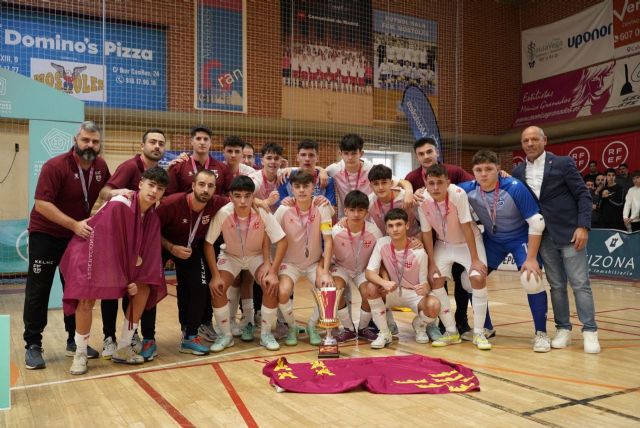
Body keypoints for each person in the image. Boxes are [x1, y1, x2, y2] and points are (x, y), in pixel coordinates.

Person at [61, 167, 169, 374]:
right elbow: (103, 244)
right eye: (151, 185)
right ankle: (80, 353)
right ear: (140, 184)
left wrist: (133, 278)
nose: (154, 191)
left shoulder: (152, 217)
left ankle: (124, 348)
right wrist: (124, 277)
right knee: (86, 298)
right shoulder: (120, 203)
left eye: (160, 188)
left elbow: (147, 257)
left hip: (117, 261)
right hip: (89, 253)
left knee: (144, 287)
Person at [23, 121, 110, 370]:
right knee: (38, 289)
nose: (90, 145)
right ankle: (33, 344)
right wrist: (73, 225)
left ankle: (74, 341)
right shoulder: (55, 166)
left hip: (75, 236)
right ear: (75, 140)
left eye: (95, 141)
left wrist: (117, 194)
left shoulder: (101, 166)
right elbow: (42, 204)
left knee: (75, 289)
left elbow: (105, 190)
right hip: (46, 234)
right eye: (86, 140)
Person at [513, 126, 600, 353]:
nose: (530, 143)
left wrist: (583, 226)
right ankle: (563, 329)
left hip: (570, 233)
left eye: (534, 139)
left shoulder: (563, 163)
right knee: (557, 285)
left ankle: (590, 331)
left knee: (580, 284)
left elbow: (583, 195)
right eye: (525, 140)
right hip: (542, 237)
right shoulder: (518, 172)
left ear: (545, 141)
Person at [459, 150, 550, 352]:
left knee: (531, 278)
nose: (484, 174)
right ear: (473, 171)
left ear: (498, 169)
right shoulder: (467, 189)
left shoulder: (514, 187)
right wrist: (416, 192)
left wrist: (532, 258)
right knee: (469, 278)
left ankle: (541, 333)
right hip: (493, 240)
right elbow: (439, 190)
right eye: (478, 170)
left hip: (520, 239)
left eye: (489, 169)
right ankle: (486, 327)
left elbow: (537, 222)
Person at [98, 128, 166, 361]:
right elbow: (104, 192)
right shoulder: (129, 167)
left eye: (161, 143)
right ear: (142, 146)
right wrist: (120, 192)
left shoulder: (159, 175)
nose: (157, 146)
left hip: (139, 240)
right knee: (110, 291)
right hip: (113, 242)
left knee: (143, 285)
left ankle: (130, 337)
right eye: (152, 142)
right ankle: (108, 337)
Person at [204, 176, 287, 352]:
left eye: (247, 196)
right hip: (231, 256)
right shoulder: (223, 213)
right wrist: (215, 275)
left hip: (256, 256)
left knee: (271, 284)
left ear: (253, 197)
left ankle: (265, 334)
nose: (242, 201)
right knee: (218, 287)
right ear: (230, 197)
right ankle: (226, 335)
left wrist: (272, 271)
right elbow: (208, 243)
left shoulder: (261, 211)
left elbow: (282, 241)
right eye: (238, 196)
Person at [404, 137, 475, 336]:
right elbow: (401, 185)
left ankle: (461, 319)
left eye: (429, 152)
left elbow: (476, 183)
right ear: (417, 157)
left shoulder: (454, 171)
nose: (426, 156)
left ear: (436, 152)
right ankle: (443, 323)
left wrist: (501, 176)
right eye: (421, 154)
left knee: (461, 279)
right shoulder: (412, 177)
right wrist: (408, 190)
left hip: (455, 235)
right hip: (431, 236)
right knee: (437, 279)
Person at [157, 169, 230, 356]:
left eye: (210, 186)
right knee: (150, 288)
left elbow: (240, 200)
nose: (206, 189)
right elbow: (151, 230)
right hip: (162, 245)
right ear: (193, 186)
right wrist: (171, 247)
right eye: (202, 184)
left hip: (190, 249)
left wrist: (260, 202)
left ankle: (190, 336)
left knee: (200, 288)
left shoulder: (217, 203)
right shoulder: (170, 204)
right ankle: (145, 337)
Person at [419, 164, 491, 350]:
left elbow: (467, 227)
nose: (436, 187)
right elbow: (426, 233)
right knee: (435, 279)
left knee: (477, 277)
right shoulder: (422, 199)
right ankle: (451, 332)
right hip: (443, 244)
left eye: (440, 183)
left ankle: (479, 332)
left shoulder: (458, 194)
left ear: (448, 182)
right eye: (431, 183)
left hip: (467, 243)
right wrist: (431, 263)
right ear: (426, 183)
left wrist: (475, 259)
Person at [365, 208, 441, 348]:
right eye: (390, 226)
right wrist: (384, 282)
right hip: (391, 290)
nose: (395, 229)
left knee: (434, 305)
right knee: (370, 287)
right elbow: (369, 272)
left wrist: (425, 288)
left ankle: (419, 324)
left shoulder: (419, 252)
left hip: (413, 293)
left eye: (399, 224)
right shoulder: (382, 243)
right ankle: (384, 333)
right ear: (386, 229)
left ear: (407, 225)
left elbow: (424, 282)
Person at [275, 170, 334, 346]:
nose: (301, 190)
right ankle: (292, 327)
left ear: (313, 187)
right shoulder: (283, 209)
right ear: (291, 189)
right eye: (297, 186)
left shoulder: (322, 206)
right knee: (283, 292)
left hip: (314, 263)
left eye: (306, 186)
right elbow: (270, 236)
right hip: (289, 263)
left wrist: (325, 271)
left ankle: (312, 326)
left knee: (328, 289)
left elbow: (328, 240)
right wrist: (272, 266)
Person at [329, 190, 383, 343]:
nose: (356, 214)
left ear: (366, 212)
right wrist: (325, 272)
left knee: (369, 292)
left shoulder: (374, 231)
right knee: (334, 290)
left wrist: (381, 277)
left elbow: (381, 256)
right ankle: (349, 329)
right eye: (352, 210)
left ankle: (363, 328)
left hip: (363, 270)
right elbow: (326, 254)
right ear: (345, 211)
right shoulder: (336, 230)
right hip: (341, 268)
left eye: (360, 210)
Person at [325, 134, 414, 217]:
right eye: (346, 153)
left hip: (369, 217)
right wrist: (322, 171)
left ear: (361, 153)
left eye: (354, 153)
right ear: (340, 154)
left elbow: (402, 182)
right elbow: (318, 172)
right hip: (345, 217)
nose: (350, 157)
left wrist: (409, 192)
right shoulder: (334, 169)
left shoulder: (371, 169)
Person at [165, 125, 232, 196]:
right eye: (198, 139)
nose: (202, 142)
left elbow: (231, 195)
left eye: (206, 139)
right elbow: (169, 195)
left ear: (210, 142)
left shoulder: (223, 168)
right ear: (191, 141)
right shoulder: (178, 167)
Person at [278, 139, 336, 211]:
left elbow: (332, 211)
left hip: (319, 217)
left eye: (311, 155)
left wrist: (326, 204)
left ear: (317, 158)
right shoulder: (285, 178)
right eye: (303, 155)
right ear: (297, 157)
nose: (307, 159)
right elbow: (281, 209)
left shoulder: (327, 180)